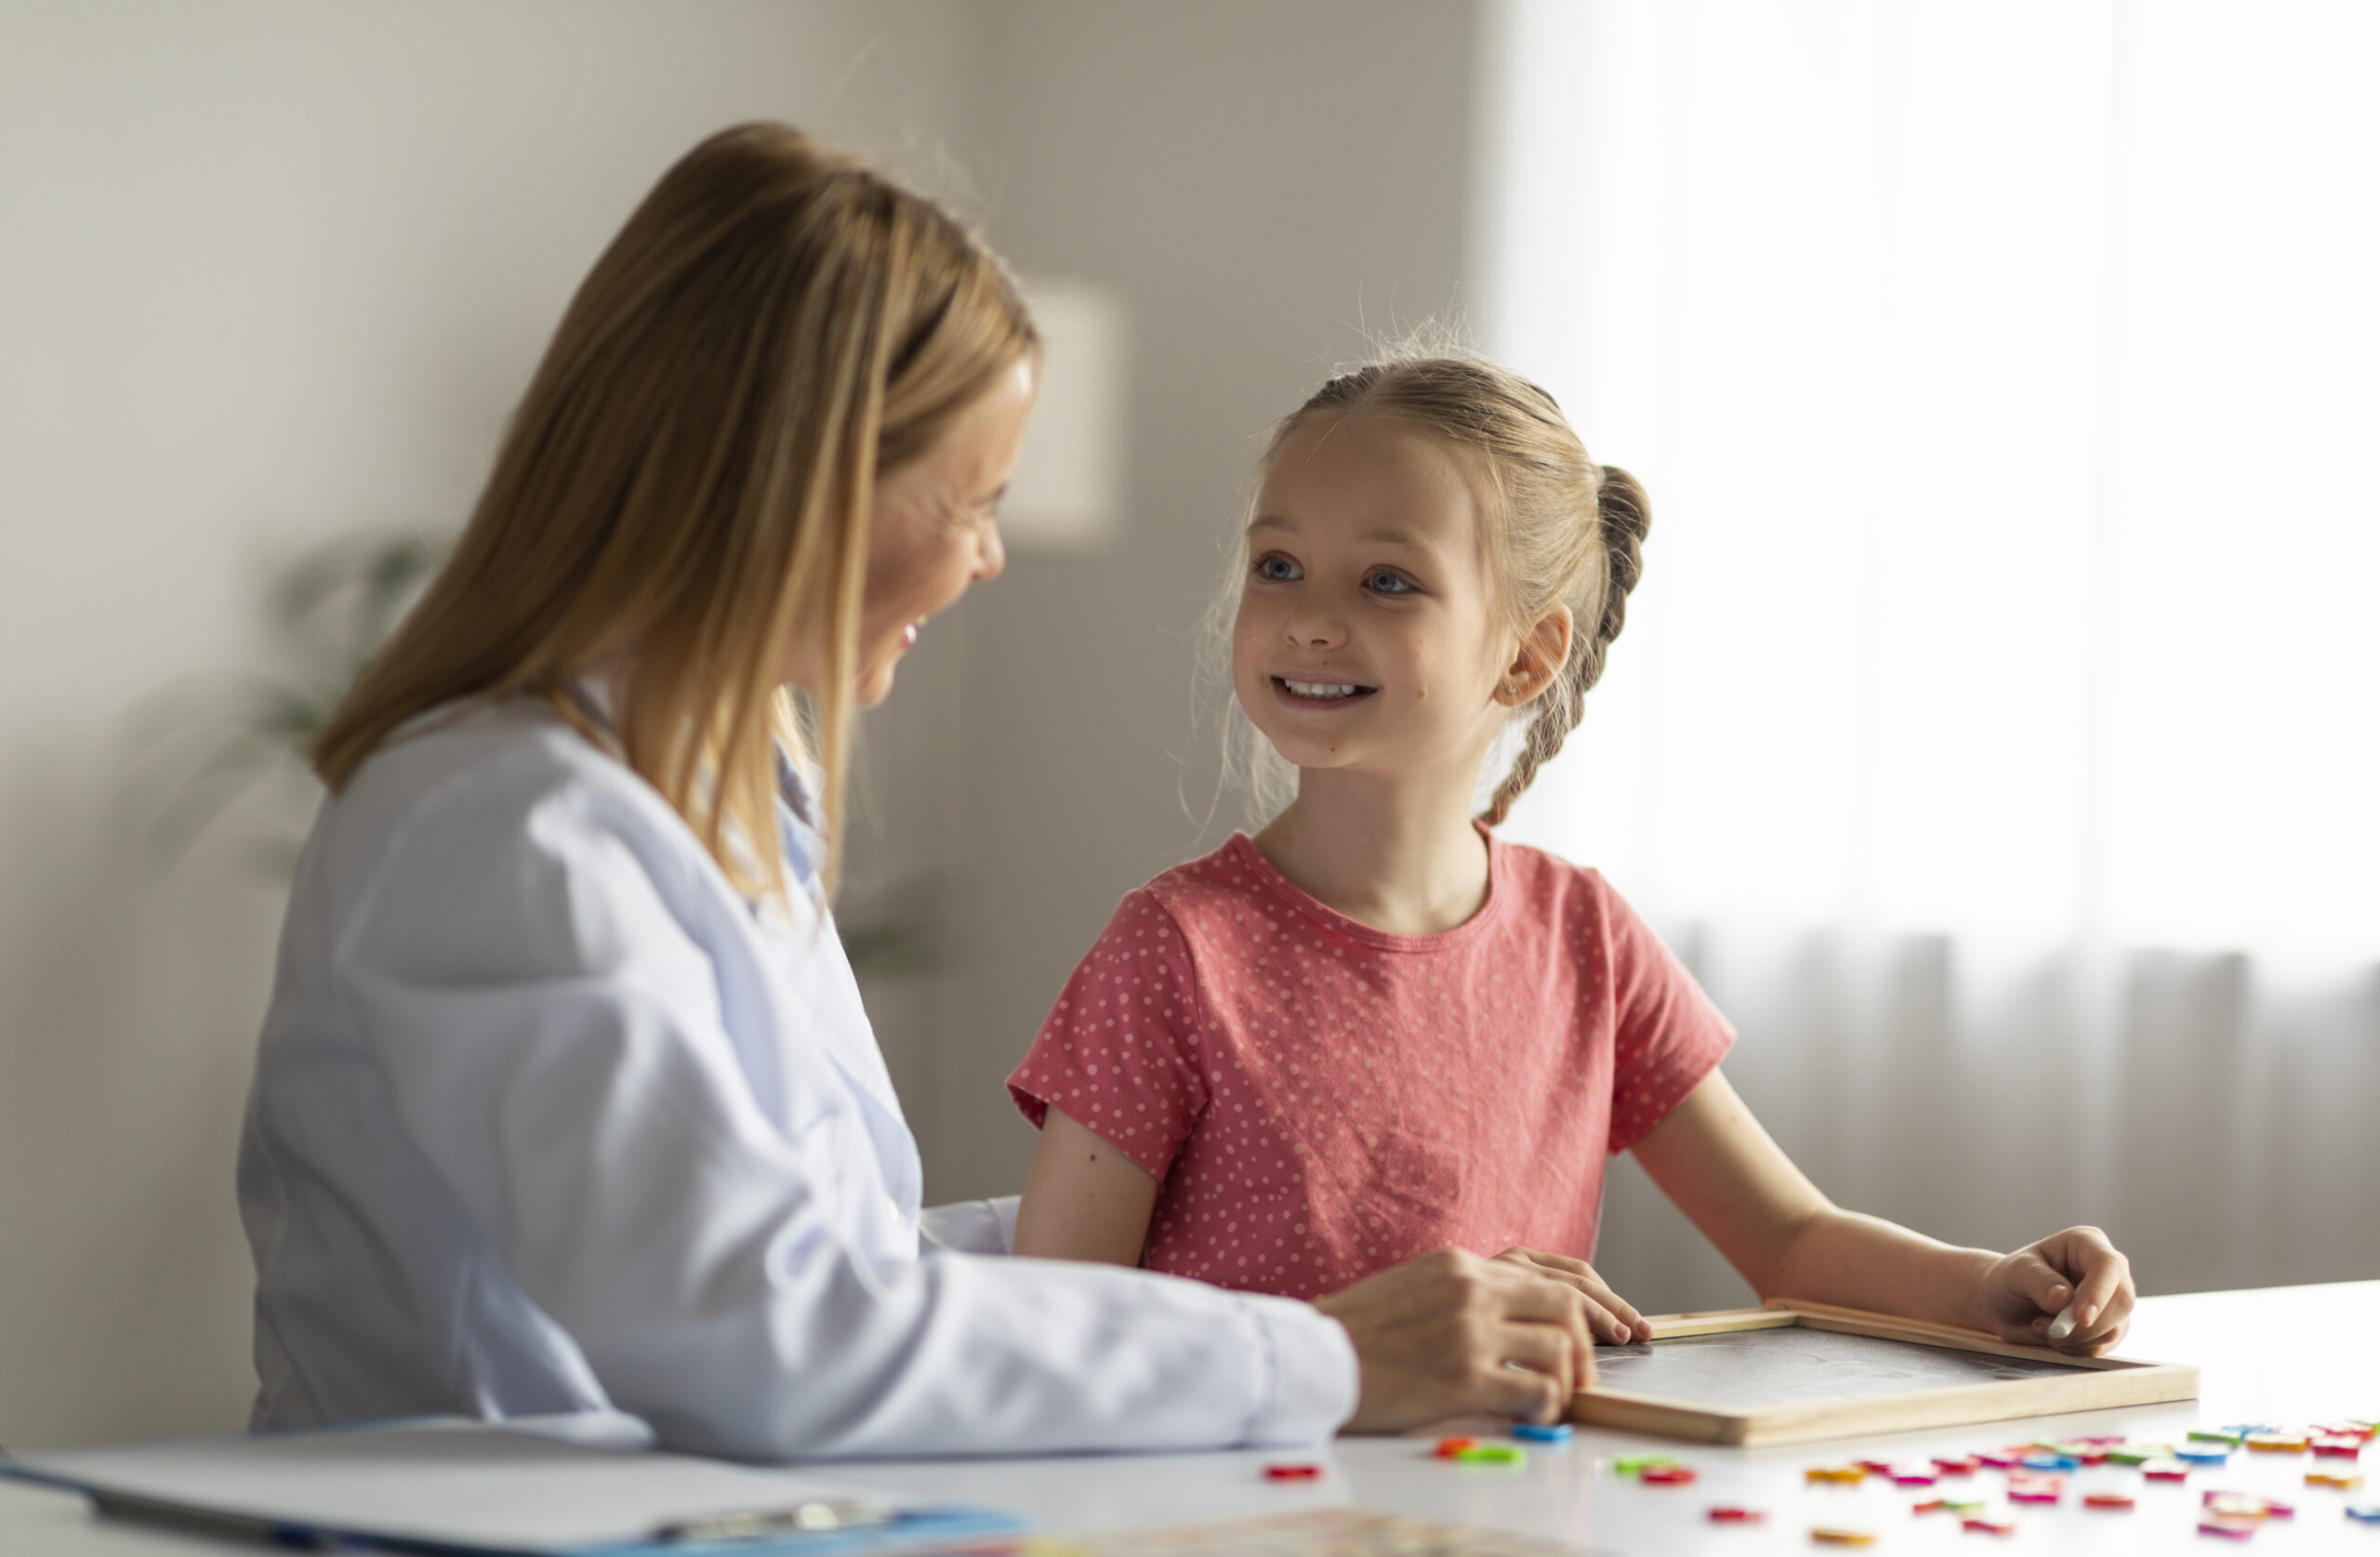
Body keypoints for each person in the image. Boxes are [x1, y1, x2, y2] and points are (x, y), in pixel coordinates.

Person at [235, 126, 1606, 1462]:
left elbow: (844, 1263)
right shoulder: (503, 827)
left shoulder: (713, 788)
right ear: (799, 488)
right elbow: (770, 1337)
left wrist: (1269, 1230)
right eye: (970, 500)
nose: (989, 558)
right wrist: (1333, 1353)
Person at [1007, 355, 2137, 1357]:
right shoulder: (1172, 953)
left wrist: (1993, 1286)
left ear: (1526, 656)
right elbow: (1050, 1343)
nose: (1308, 617)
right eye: (1278, 565)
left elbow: (1790, 1243)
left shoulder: (1582, 936)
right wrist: (1356, 1348)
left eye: (1387, 581)